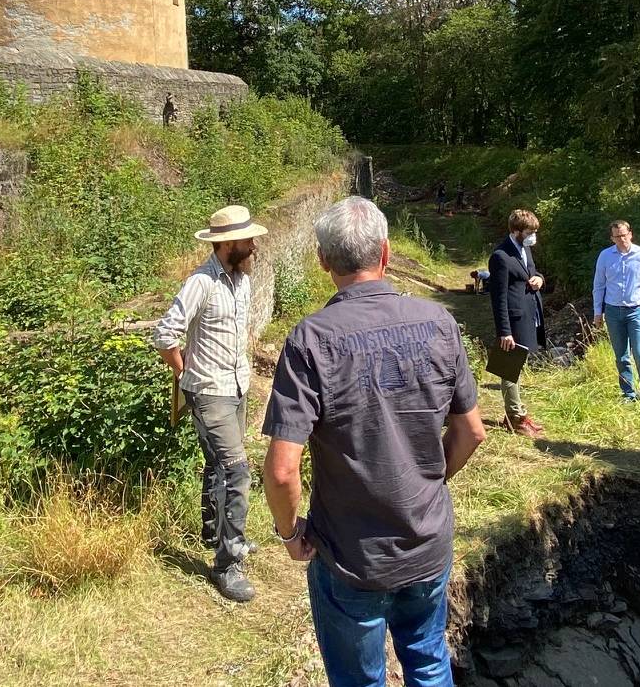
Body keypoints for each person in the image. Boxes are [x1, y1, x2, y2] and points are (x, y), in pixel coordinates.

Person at [263, 196, 487, 687]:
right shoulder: (439, 323)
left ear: (323, 262)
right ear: (386, 253)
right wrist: (425, 481)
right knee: (429, 663)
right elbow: (472, 431)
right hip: (427, 543)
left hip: (351, 557)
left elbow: (282, 471)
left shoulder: (310, 340)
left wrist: (288, 534)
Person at [154, 204, 265, 602]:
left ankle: (212, 530)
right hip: (208, 390)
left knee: (218, 464)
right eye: (248, 240)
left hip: (236, 386)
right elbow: (165, 335)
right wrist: (186, 375)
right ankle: (227, 563)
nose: (254, 245)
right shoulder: (200, 283)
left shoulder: (242, 280)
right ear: (228, 244)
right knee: (237, 471)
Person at [487, 209, 547, 437]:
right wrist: (504, 331)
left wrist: (539, 279)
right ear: (515, 231)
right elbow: (498, 296)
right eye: (529, 232)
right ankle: (515, 417)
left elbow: (532, 272)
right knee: (510, 369)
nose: (533, 236)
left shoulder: (525, 249)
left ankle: (517, 412)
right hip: (512, 320)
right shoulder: (500, 257)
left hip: (528, 314)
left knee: (519, 367)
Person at [592, 221, 640, 401]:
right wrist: (597, 312)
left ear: (630, 234)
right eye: (617, 236)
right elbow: (599, 285)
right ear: (612, 238)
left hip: (637, 310)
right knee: (621, 356)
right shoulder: (605, 256)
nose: (621, 239)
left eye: (624, 235)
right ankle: (628, 394)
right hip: (613, 311)